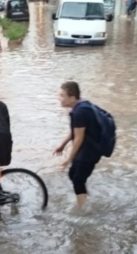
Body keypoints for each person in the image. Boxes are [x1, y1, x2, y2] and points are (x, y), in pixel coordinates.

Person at [54, 81, 102, 209]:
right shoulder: (80, 107)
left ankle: (82, 210)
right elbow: (75, 131)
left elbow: (79, 138)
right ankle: (85, 198)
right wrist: (63, 145)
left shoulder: (80, 112)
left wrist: (68, 159)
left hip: (89, 151)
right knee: (73, 174)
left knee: (78, 179)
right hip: (87, 149)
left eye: (62, 95)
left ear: (72, 98)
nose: (60, 98)